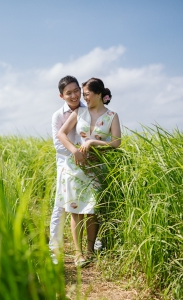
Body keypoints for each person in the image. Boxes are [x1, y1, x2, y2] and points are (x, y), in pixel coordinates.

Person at [57, 77, 121, 266]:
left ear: (99, 94)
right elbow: (61, 134)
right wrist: (75, 151)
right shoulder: (79, 112)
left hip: (96, 168)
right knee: (75, 210)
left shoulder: (112, 116)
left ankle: (90, 252)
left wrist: (93, 142)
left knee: (92, 210)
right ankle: (78, 254)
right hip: (75, 167)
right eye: (82, 94)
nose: (83, 98)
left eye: (86, 94)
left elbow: (116, 143)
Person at [49, 75, 85, 264]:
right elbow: (58, 144)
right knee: (61, 205)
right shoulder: (58, 115)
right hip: (65, 162)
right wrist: (77, 152)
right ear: (61, 96)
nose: (73, 95)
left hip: (88, 161)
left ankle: (94, 245)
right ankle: (55, 250)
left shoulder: (88, 110)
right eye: (68, 93)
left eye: (76, 90)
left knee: (91, 203)